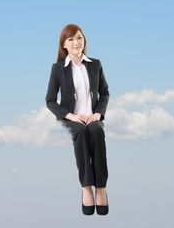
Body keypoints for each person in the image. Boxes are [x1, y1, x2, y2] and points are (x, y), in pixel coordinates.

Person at [45, 23, 110, 215]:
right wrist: (71, 116)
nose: (76, 42)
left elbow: (104, 93)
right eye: (71, 39)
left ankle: (101, 188)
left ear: (84, 41)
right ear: (64, 44)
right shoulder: (58, 69)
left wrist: (98, 113)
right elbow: (50, 100)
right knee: (81, 131)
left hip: (92, 116)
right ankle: (86, 187)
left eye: (79, 38)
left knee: (96, 130)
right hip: (72, 118)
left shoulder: (95, 64)